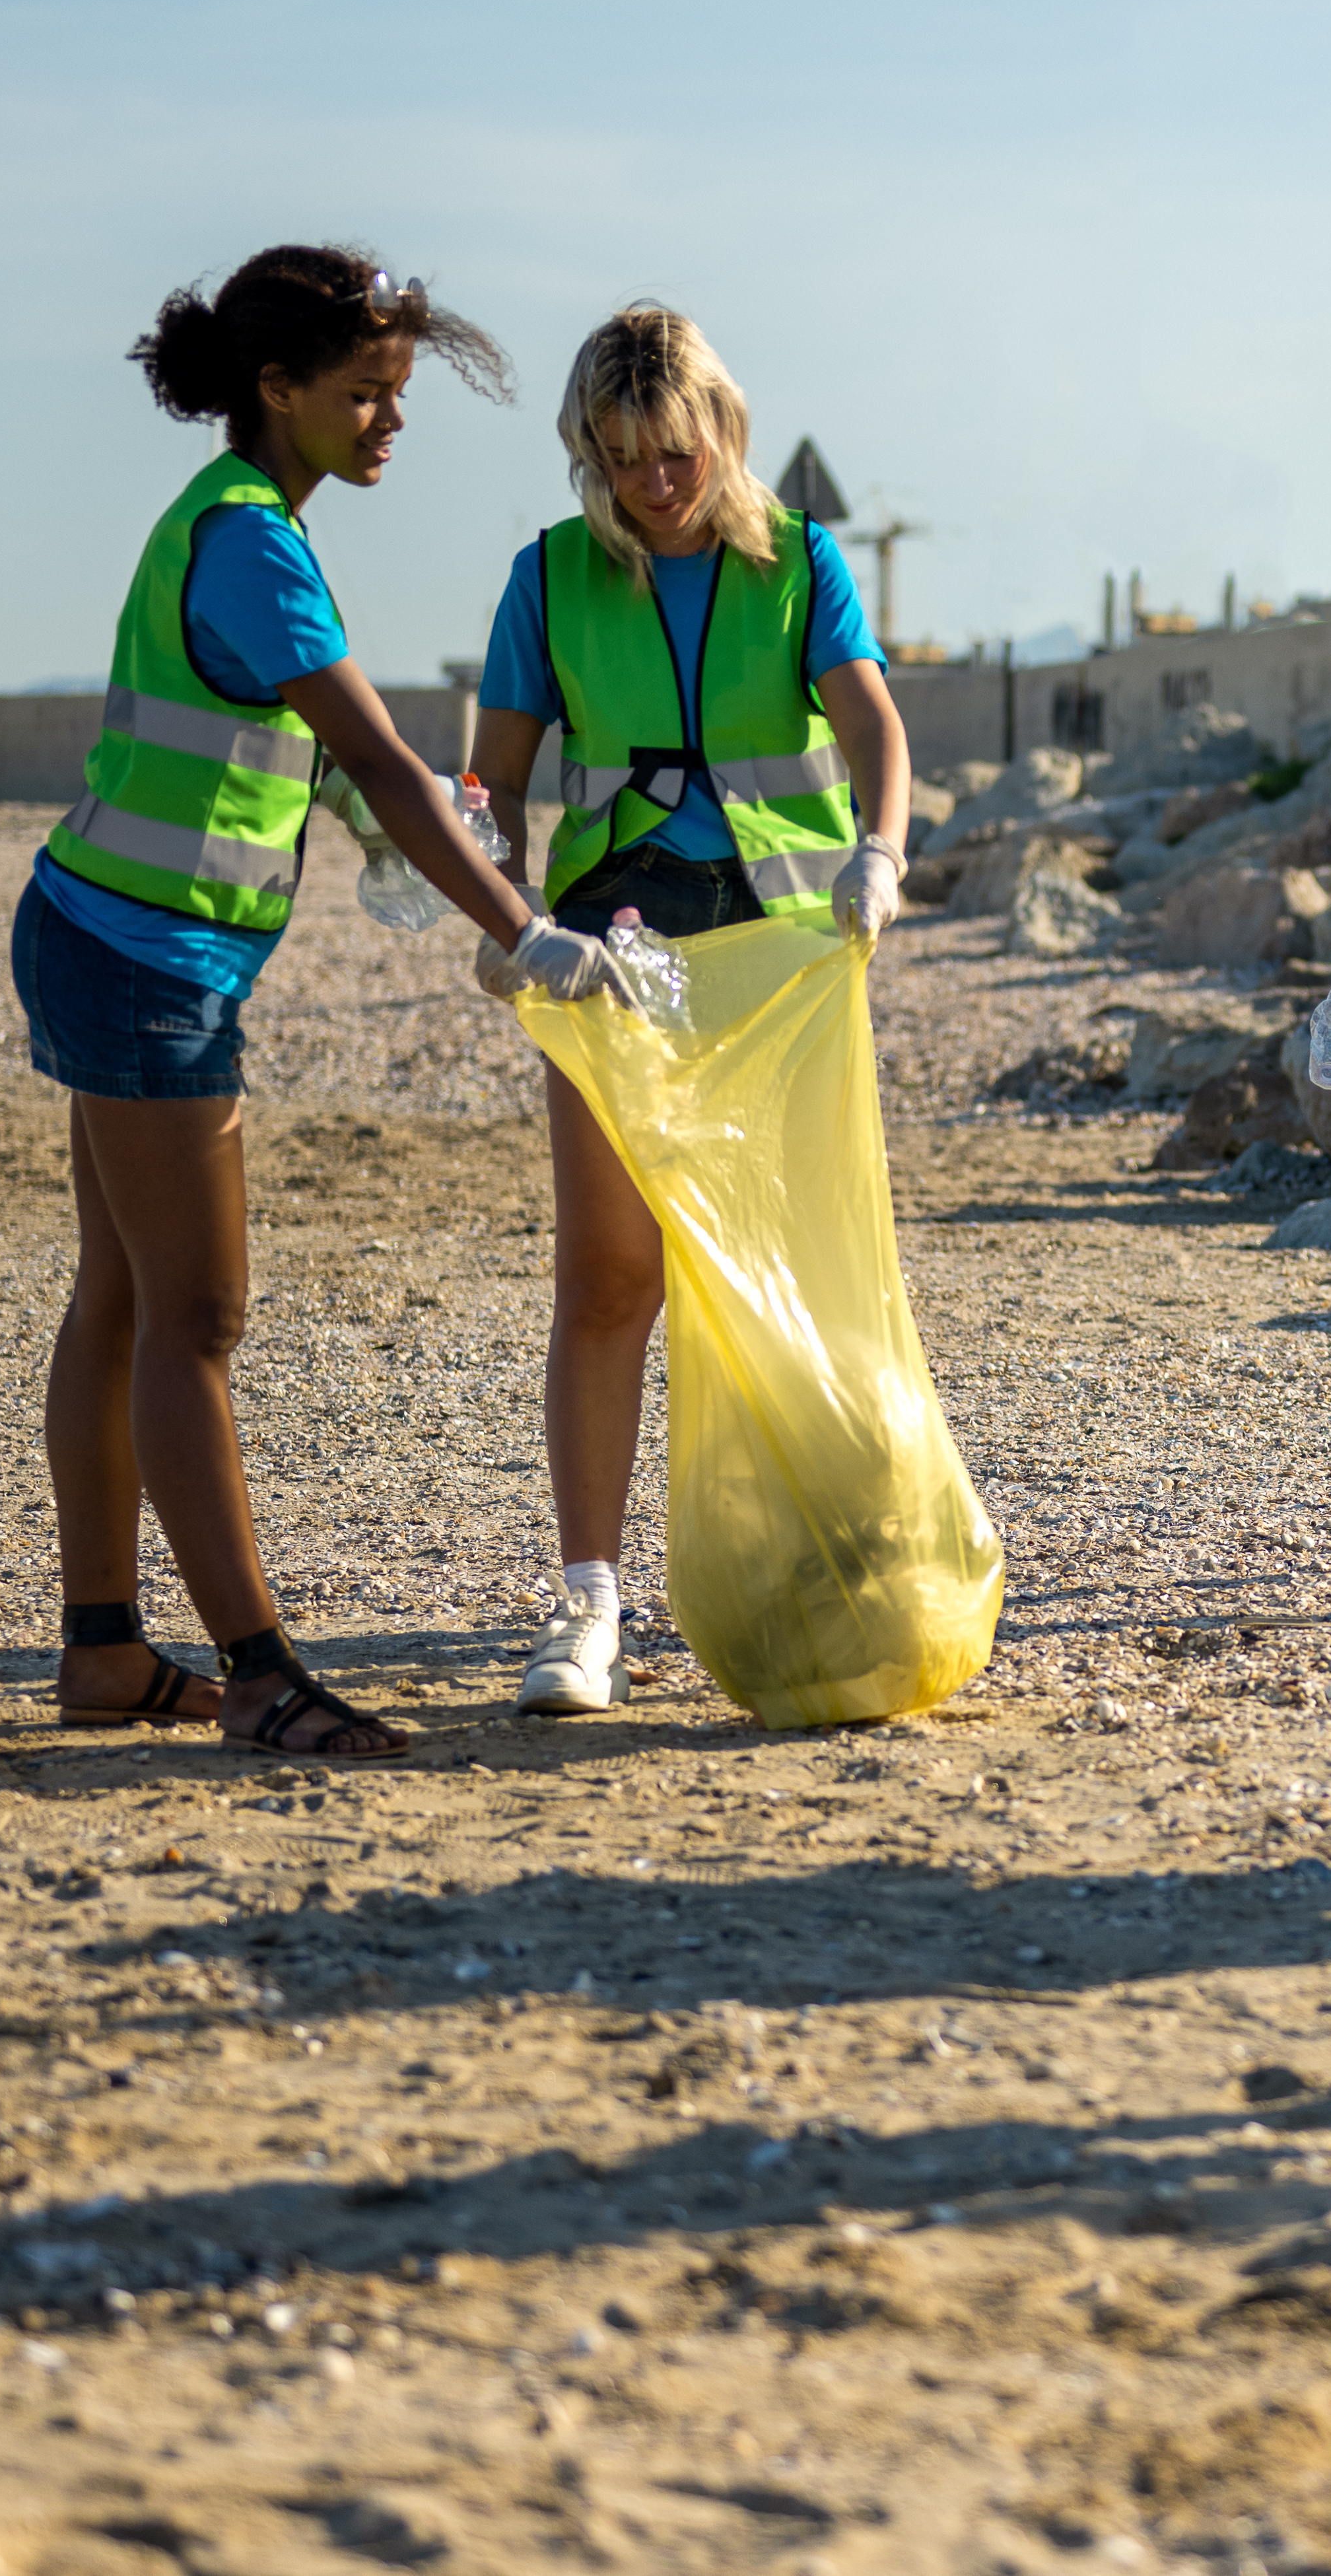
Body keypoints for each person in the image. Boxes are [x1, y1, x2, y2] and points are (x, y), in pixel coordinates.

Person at [20, 242, 564, 1761]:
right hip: (145, 964)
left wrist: (437, 843)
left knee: (122, 1298)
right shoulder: (254, 539)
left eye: (398, 394)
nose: (391, 419)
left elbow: (335, 774)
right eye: (366, 393)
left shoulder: (231, 522)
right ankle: (257, 1674)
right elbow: (378, 759)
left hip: (98, 929)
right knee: (193, 1314)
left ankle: (105, 1656)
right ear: (276, 392)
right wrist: (522, 929)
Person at [466, 306, 918, 1716]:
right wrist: (501, 920)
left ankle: (831, 1558)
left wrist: (881, 854)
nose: (654, 483)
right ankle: (588, 1602)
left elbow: (873, 734)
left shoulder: (802, 567)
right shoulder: (546, 581)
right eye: (619, 458)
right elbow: (491, 789)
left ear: (721, 428)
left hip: (779, 959)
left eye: (675, 452)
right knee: (611, 1274)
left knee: (789, 1261)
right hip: (614, 961)